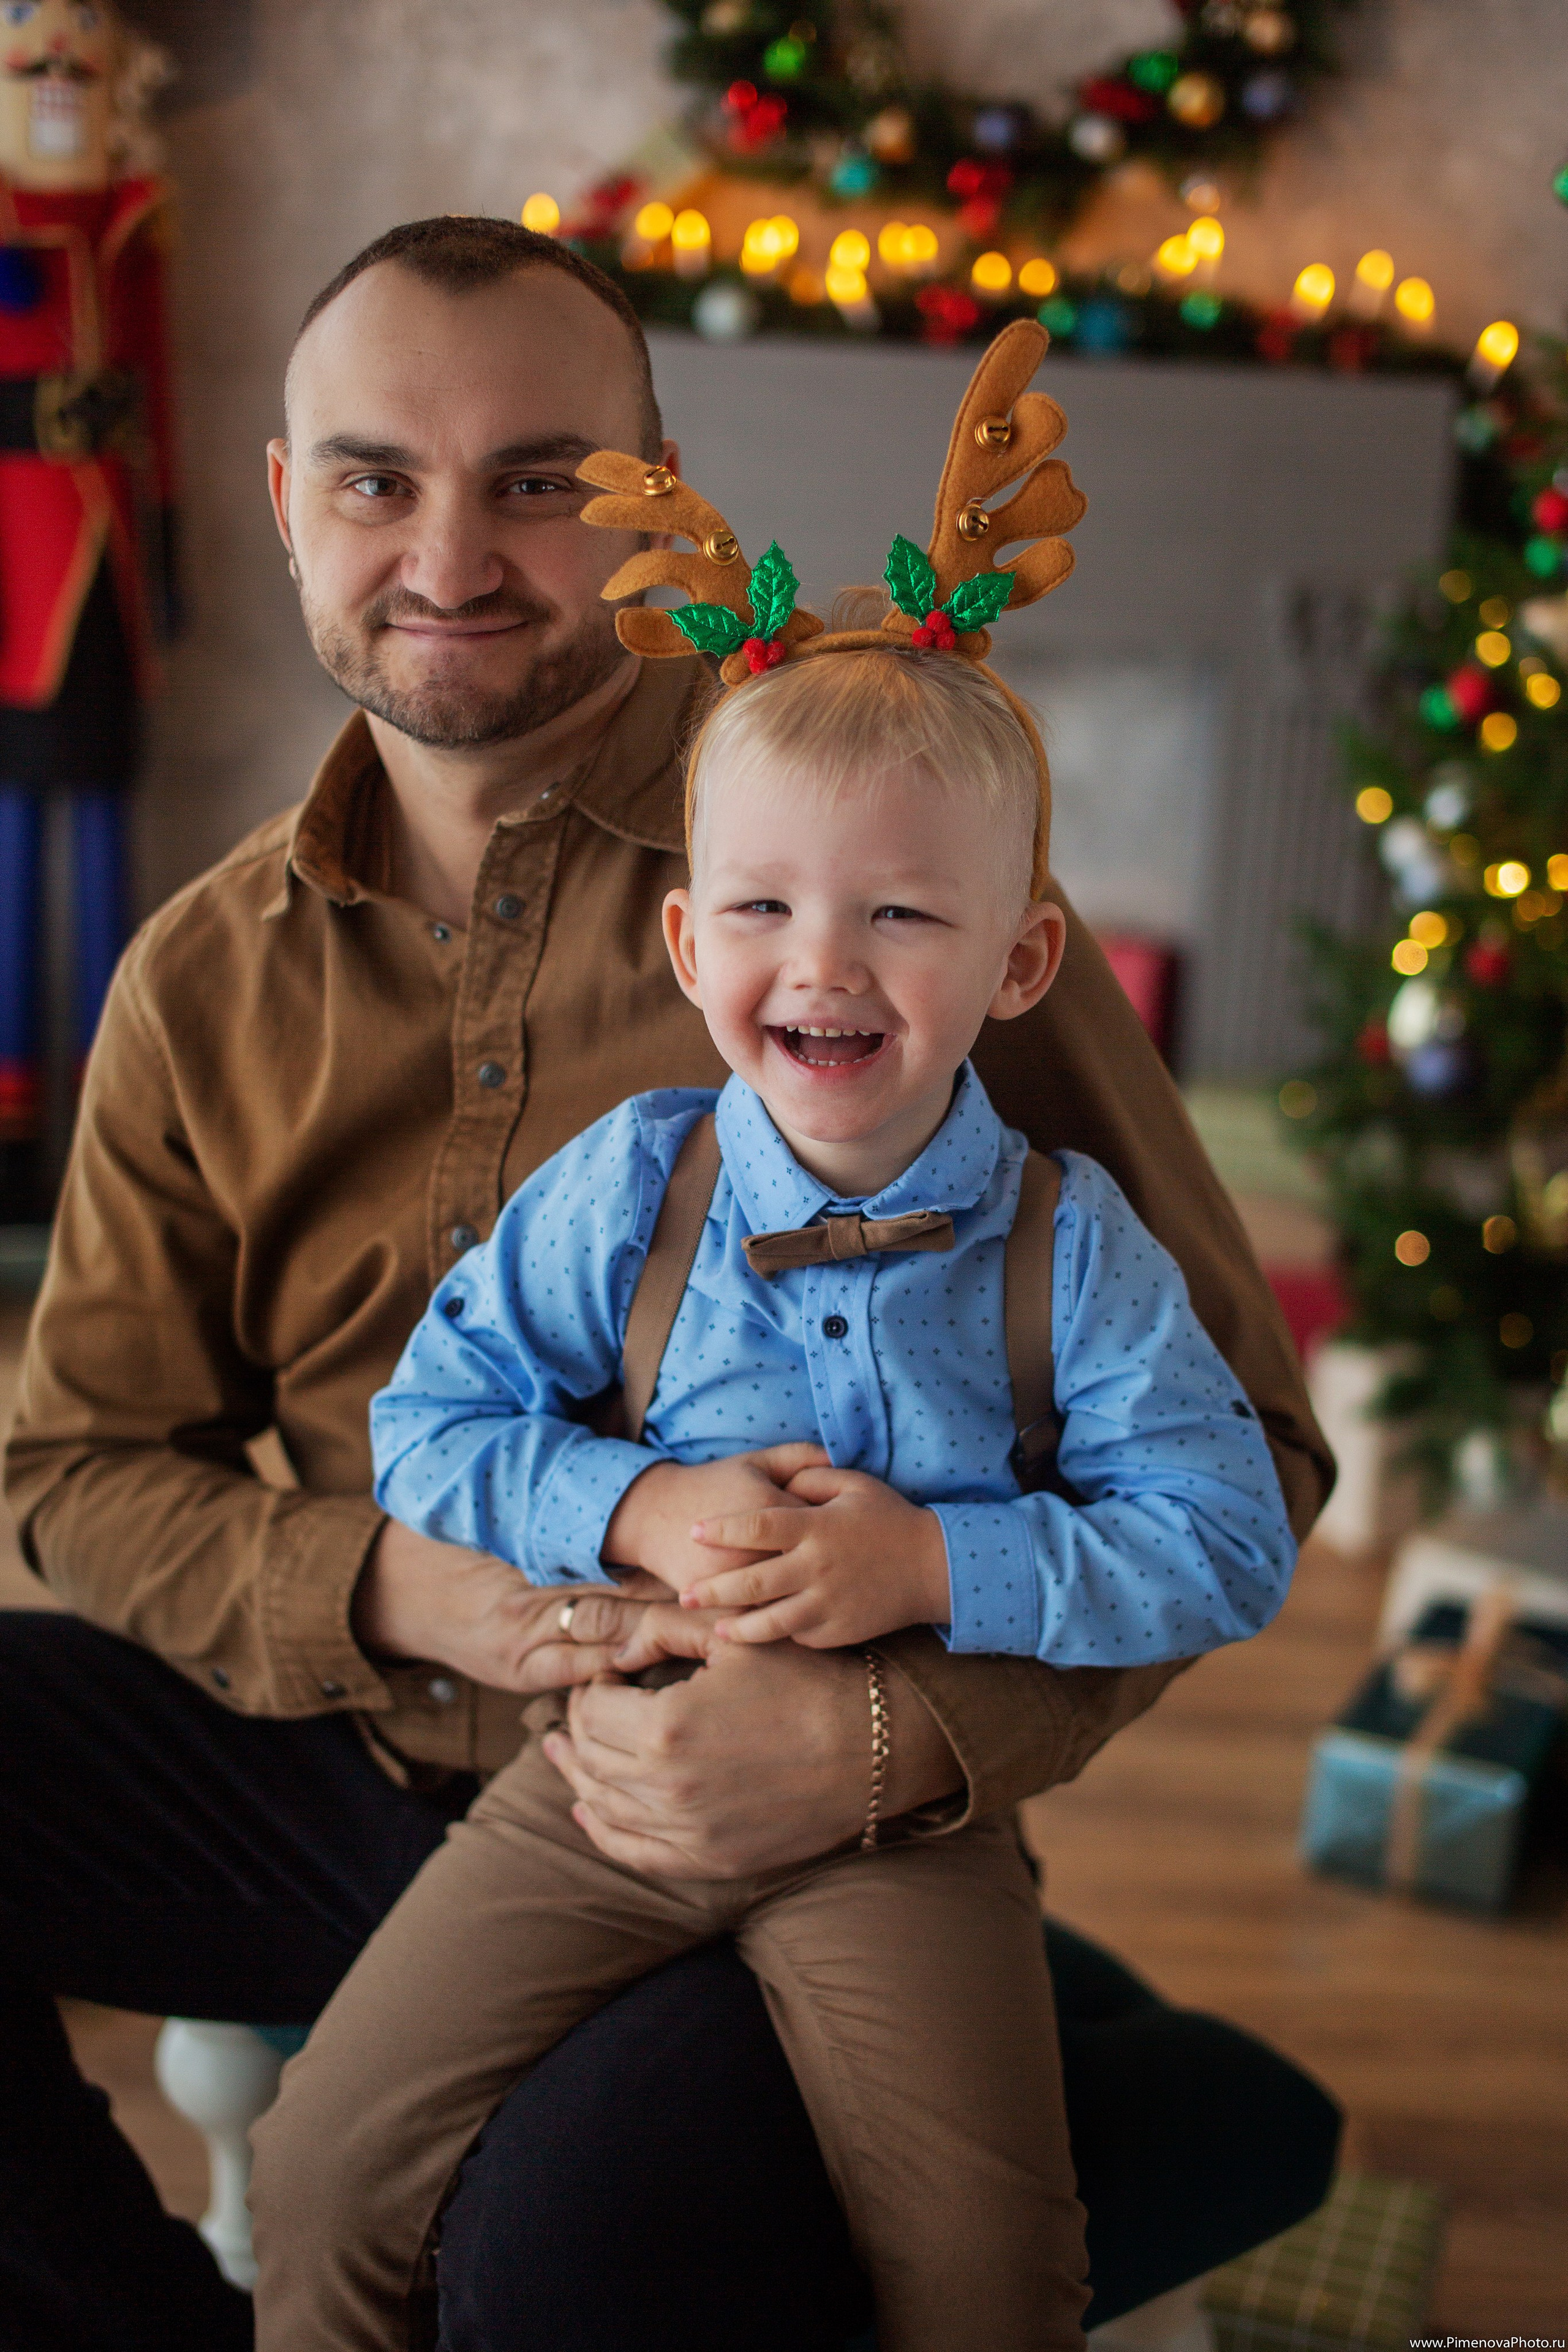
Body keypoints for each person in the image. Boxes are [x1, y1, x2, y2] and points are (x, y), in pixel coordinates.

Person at [0, 216, 1333, 2352]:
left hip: (758, 1792)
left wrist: (875, 1731)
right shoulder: (202, 975)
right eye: (374, 477)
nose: (450, 552)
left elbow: (1240, 1466)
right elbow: (76, 1466)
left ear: (644, 493)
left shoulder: (897, 870)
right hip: (335, 1755)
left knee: (571, 2277)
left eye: (537, 477)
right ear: (282, 499)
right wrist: (406, 1587)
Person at [250, 473, 1300, 2347]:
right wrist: (632, 1509)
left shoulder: (1072, 1248)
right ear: (686, 945)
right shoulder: (627, 1187)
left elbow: (1225, 1537)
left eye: (903, 911)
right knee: (326, 2164)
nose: (820, 964)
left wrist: (931, 1561)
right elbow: (431, 1426)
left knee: (990, 2265)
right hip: (600, 1794)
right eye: (762, 906)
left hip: (900, 1833)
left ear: (1020, 962)